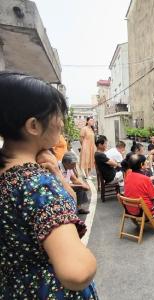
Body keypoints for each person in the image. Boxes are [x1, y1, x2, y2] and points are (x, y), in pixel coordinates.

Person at [0, 72, 97, 298]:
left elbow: (69, 202)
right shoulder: (36, 184)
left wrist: (56, 172)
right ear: (33, 125)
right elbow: (77, 271)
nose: (62, 122)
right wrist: (89, 260)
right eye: (56, 115)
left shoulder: (16, 174)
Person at [124, 154, 154, 229]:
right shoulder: (145, 179)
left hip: (130, 208)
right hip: (143, 210)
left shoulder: (127, 176)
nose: (147, 162)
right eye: (145, 162)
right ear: (141, 165)